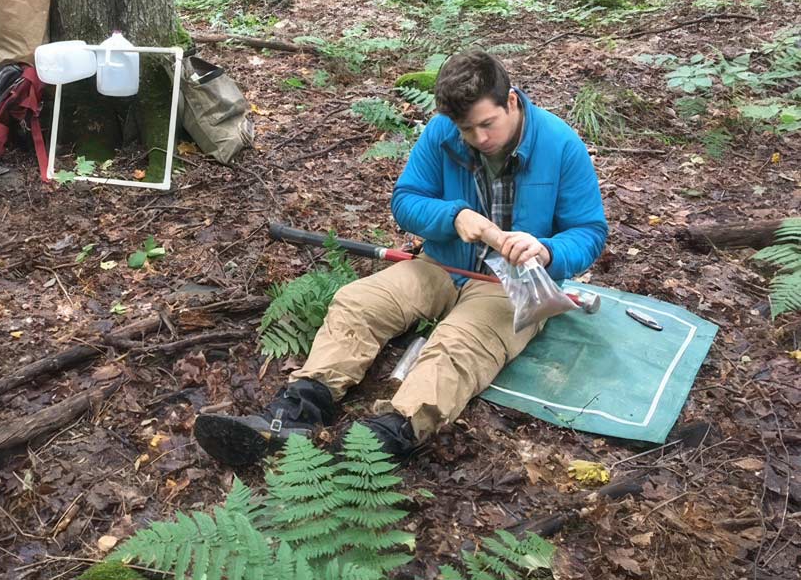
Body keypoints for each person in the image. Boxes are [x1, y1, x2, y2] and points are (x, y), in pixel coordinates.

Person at [194, 50, 608, 465]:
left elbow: (589, 232)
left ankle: (382, 440)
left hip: (513, 285)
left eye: (488, 124)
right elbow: (405, 201)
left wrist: (547, 249)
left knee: (459, 344)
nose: (480, 139)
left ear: (512, 102)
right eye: (468, 129)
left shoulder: (560, 144)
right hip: (442, 264)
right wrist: (453, 215)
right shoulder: (441, 134)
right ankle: (296, 412)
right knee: (360, 303)